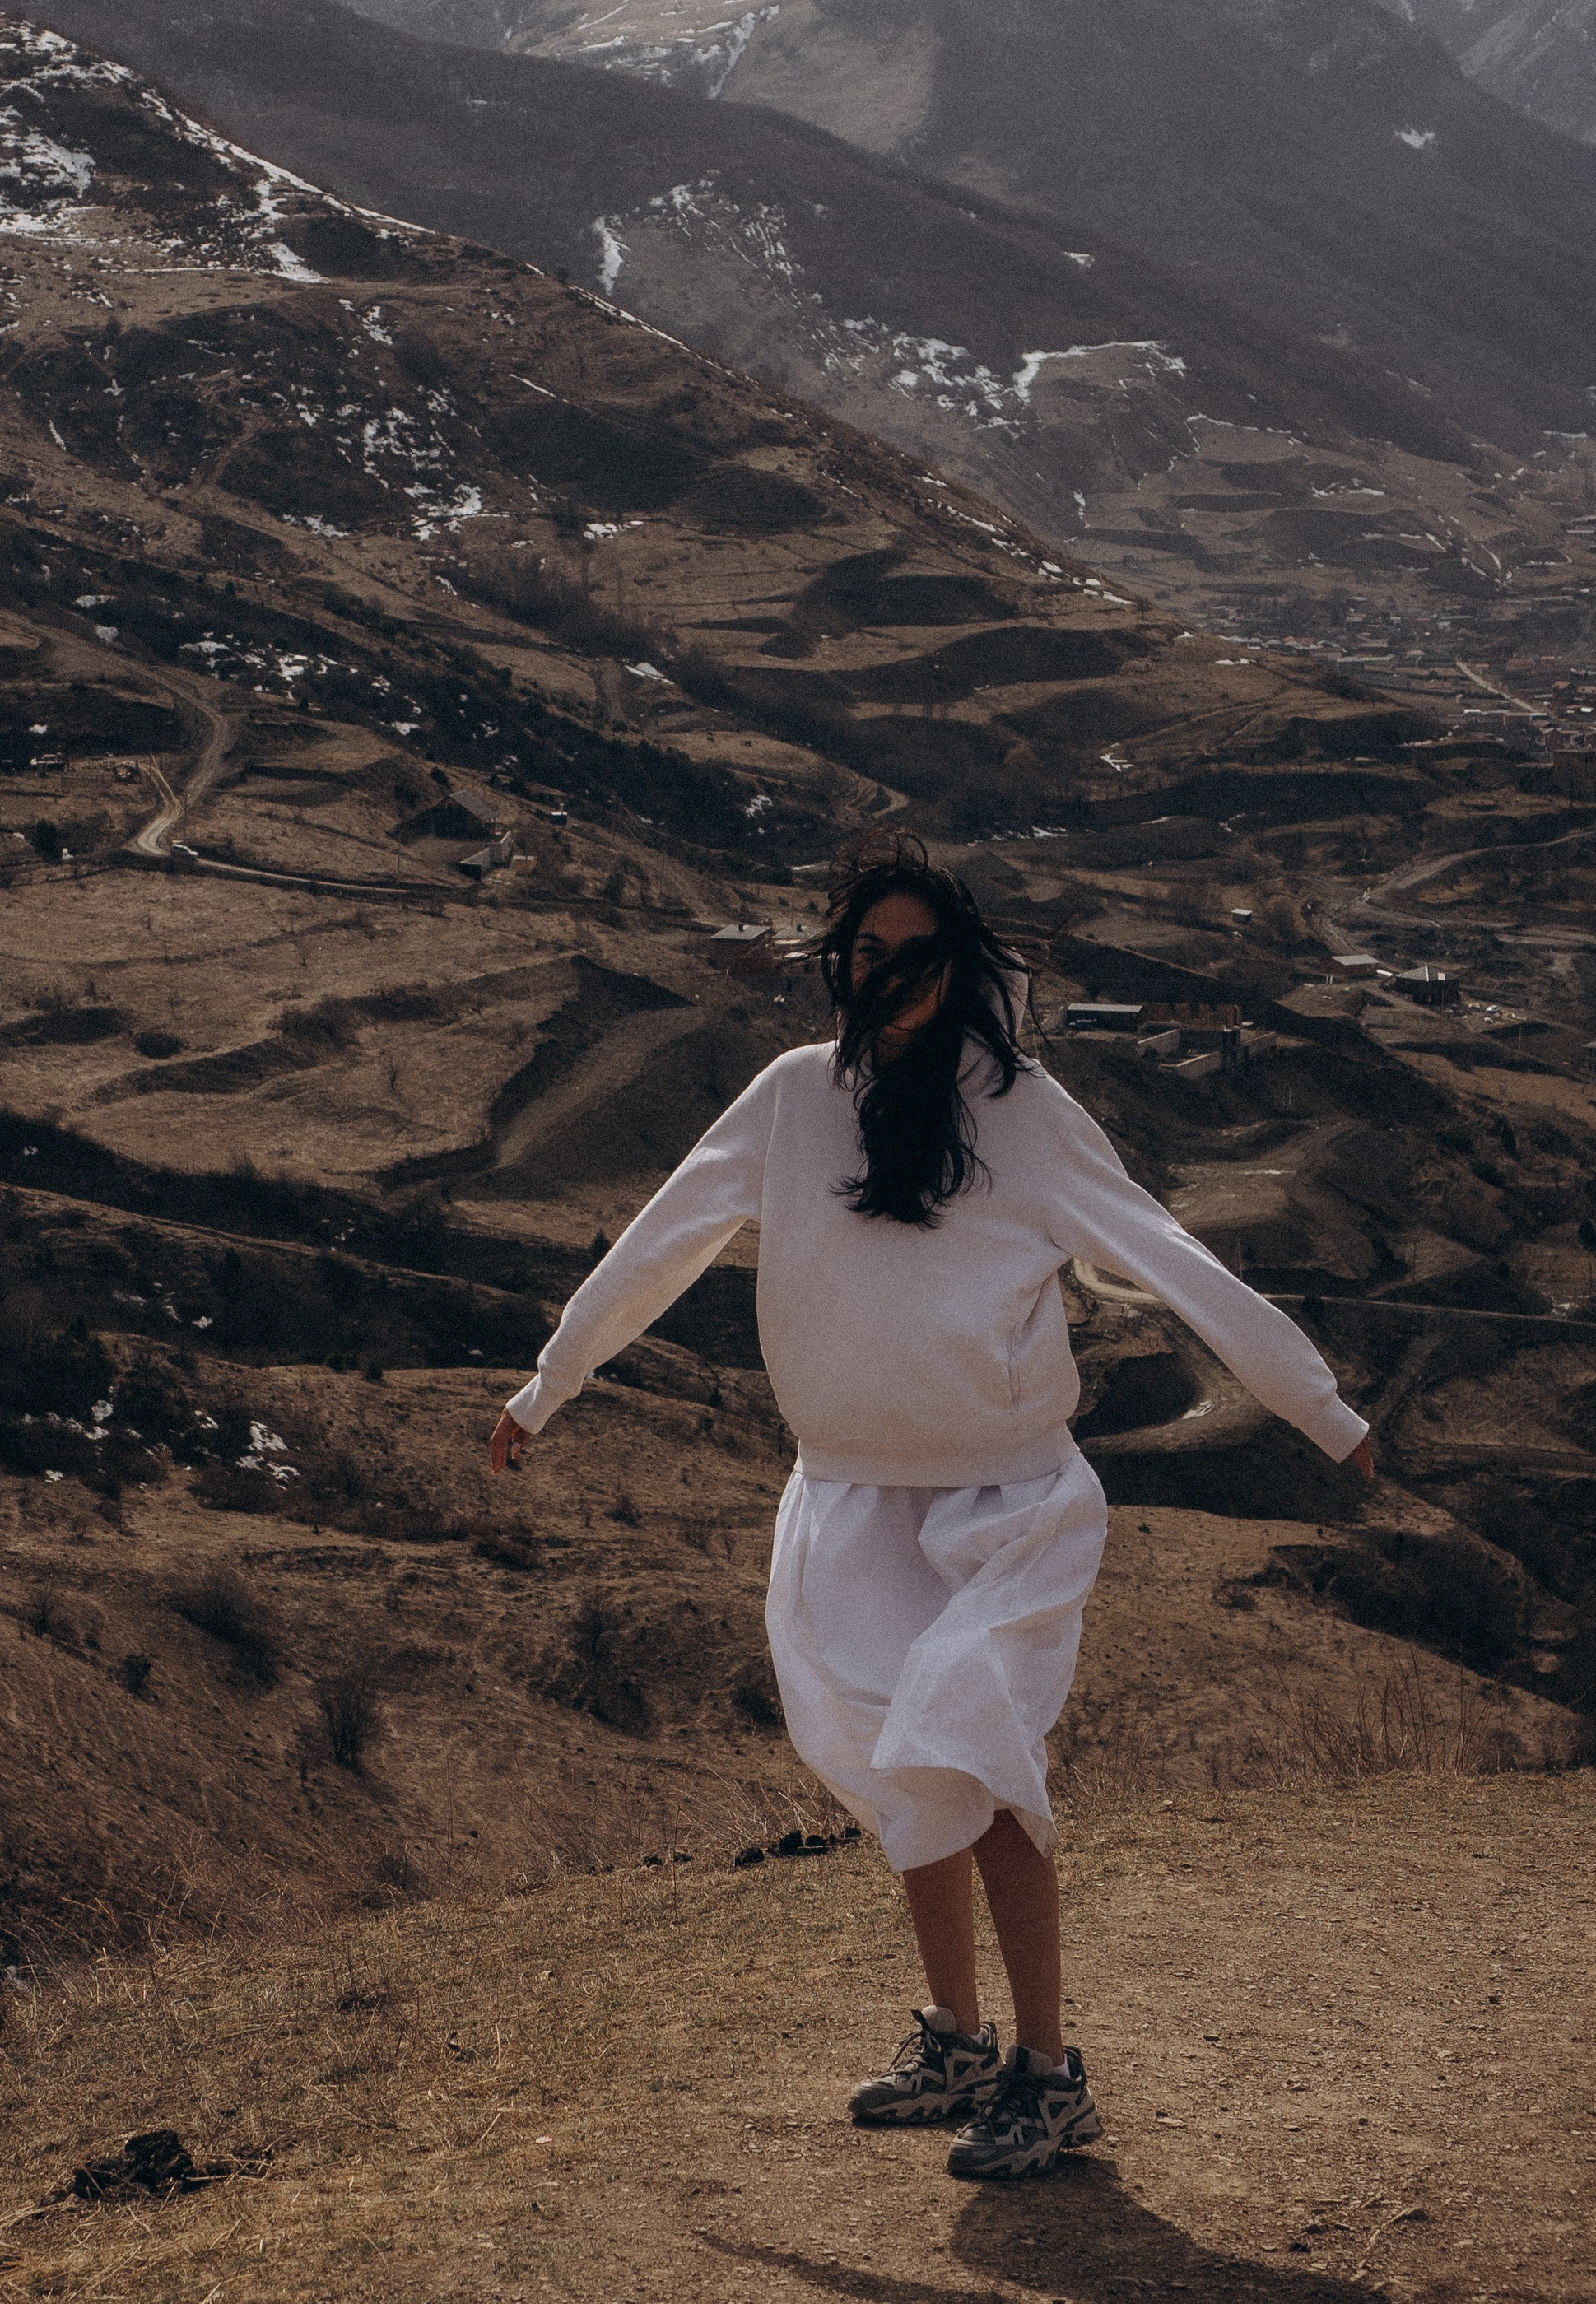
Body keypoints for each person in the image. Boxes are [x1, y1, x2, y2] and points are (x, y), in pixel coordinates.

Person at [487, 834, 1373, 2181]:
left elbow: (1169, 1258)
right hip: (847, 1499)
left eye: (914, 956)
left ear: (960, 970)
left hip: (1005, 1501)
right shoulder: (793, 1099)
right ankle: (955, 2038)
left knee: (982, 1758)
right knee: (913, 1772)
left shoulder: (1024, 1112)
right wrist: (553, 1382)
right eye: (864, 954)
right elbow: (660, 1240)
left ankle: (1049, 2072)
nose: (886, 978)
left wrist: (1318, 1410)